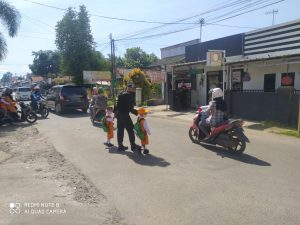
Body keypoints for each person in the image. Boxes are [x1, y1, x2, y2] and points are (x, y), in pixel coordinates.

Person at [115, 83, 141, 152]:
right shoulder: (129, 95)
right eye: (133, 88)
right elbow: (129, 107)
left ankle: (120, 146)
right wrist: (138, 112)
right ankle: (133, 146)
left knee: (120, 130)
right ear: (129, 88)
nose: (135, 89)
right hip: (124, 115)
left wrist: (115, 113)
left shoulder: (121, 94)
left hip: (119, 115)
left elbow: (116, 104)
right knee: (131, 130)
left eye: (135, 88)